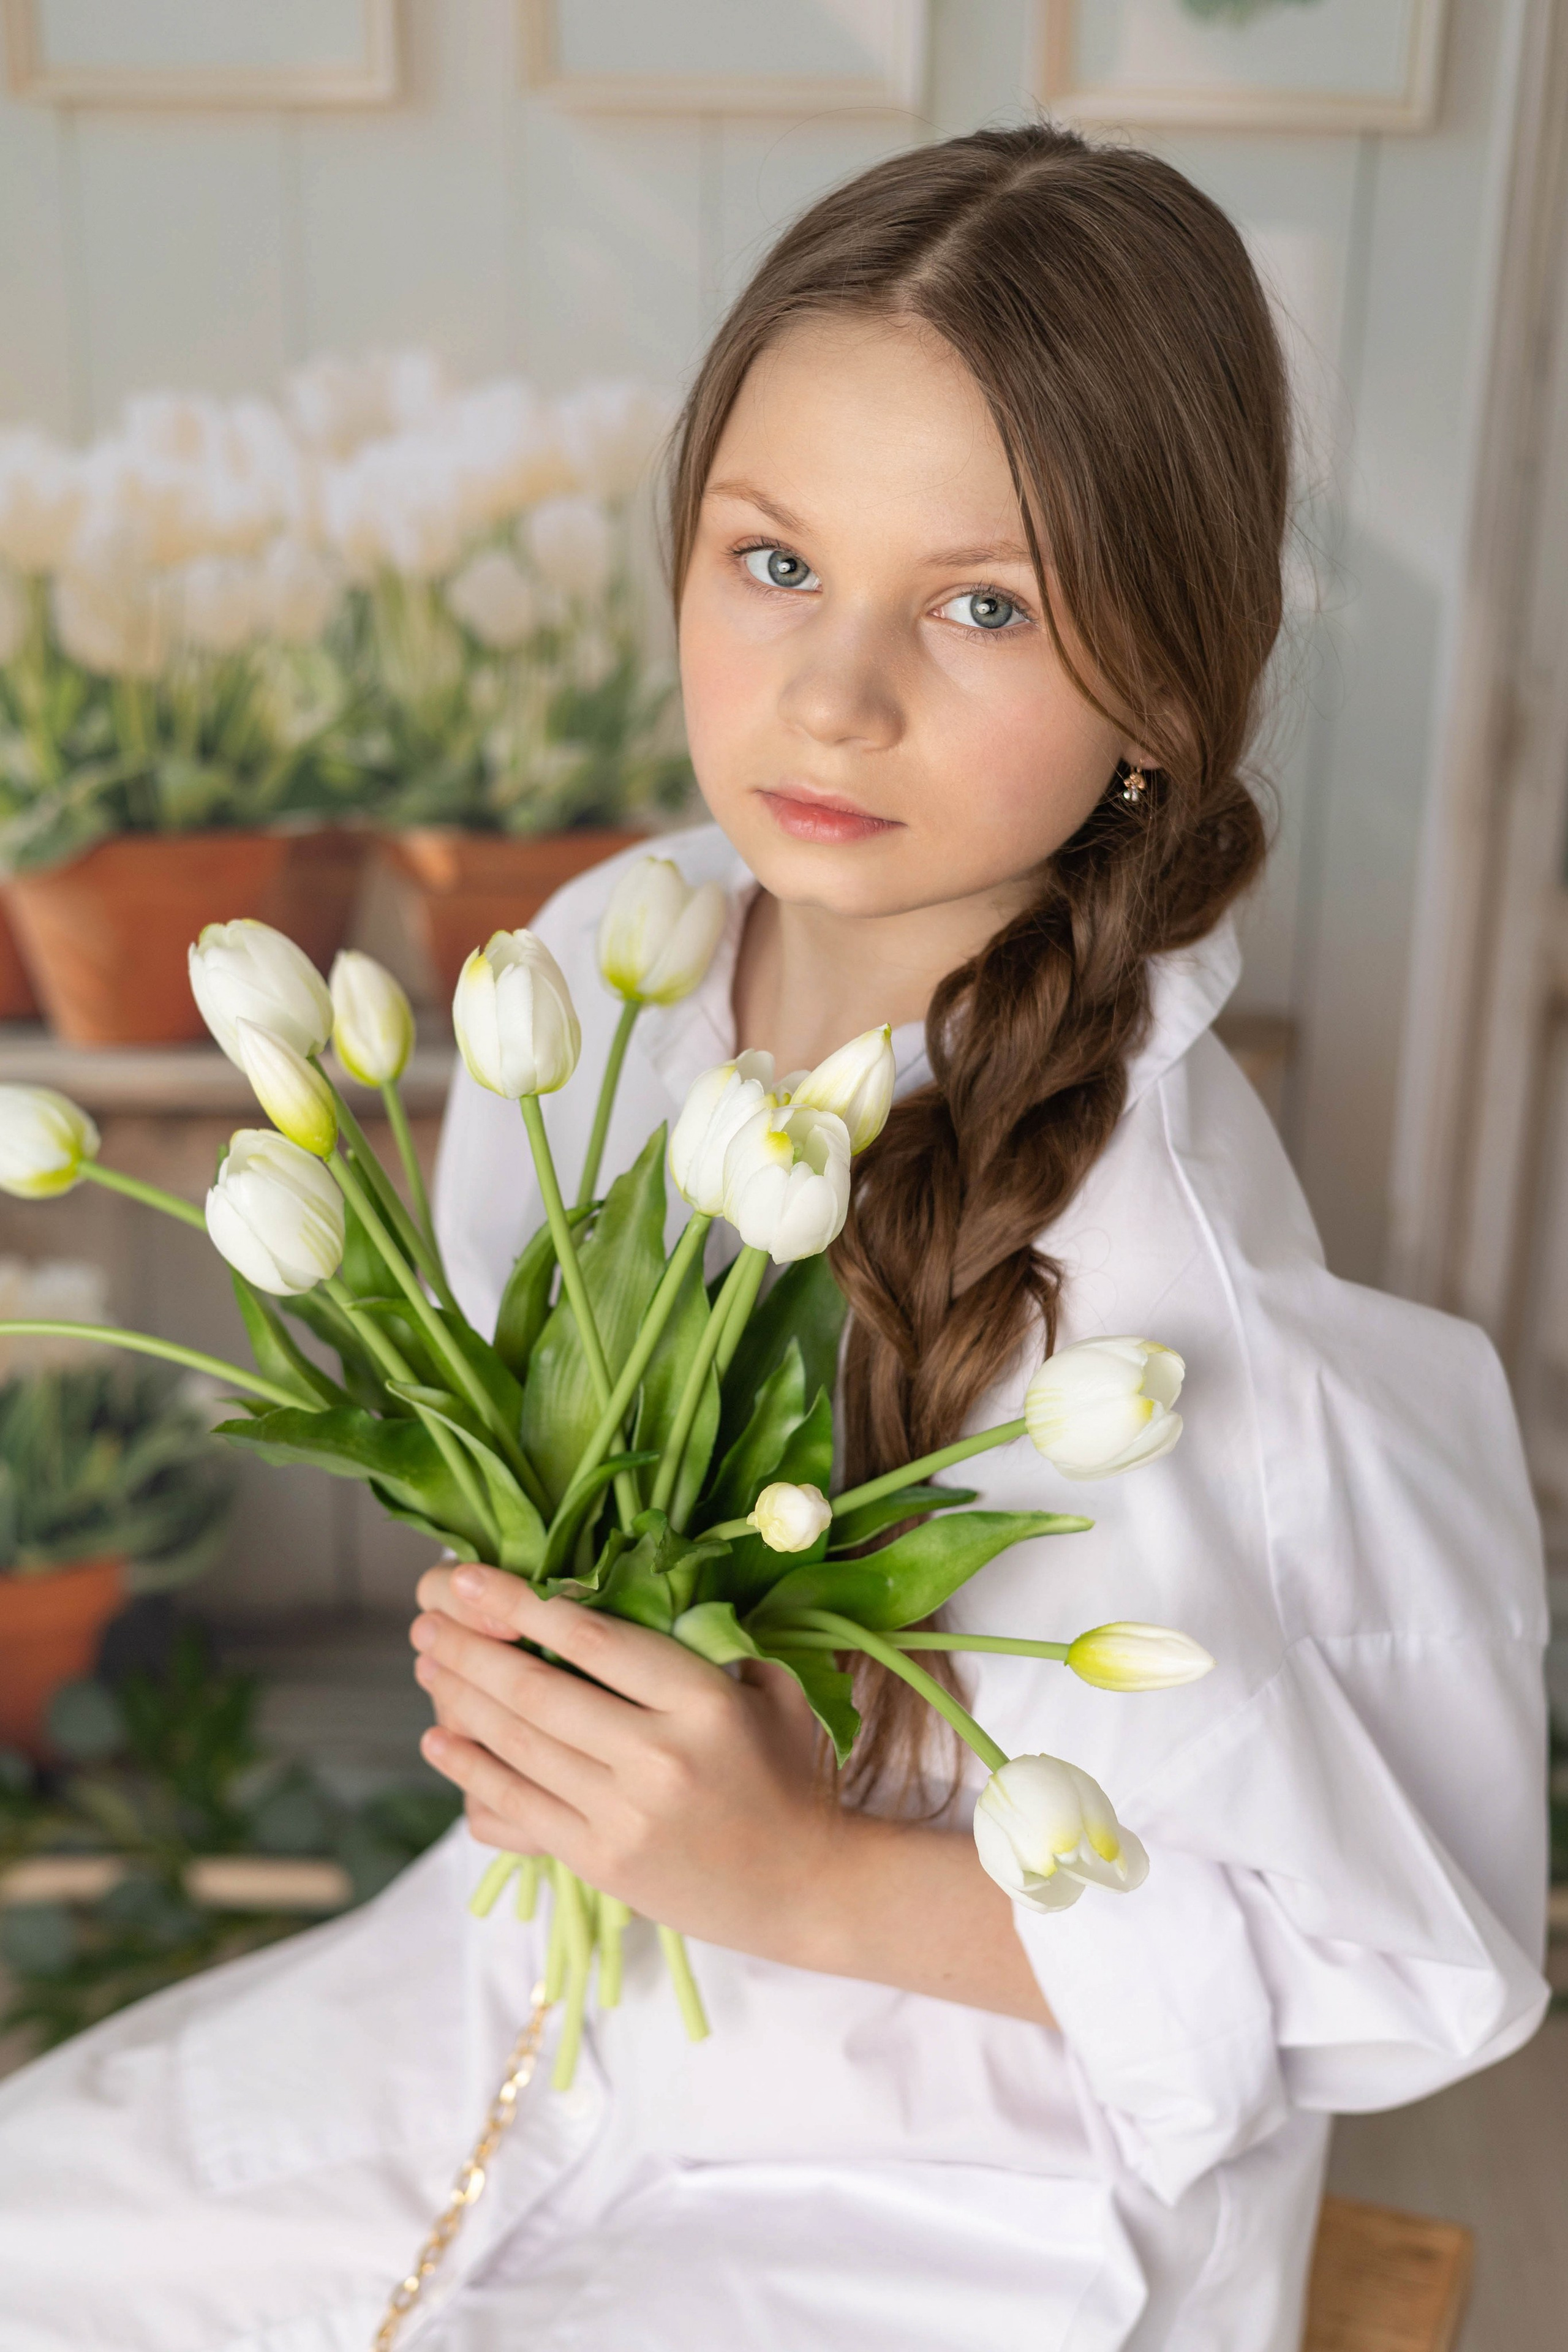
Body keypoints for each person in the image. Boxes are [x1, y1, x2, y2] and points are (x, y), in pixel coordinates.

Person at [0, 124, 1548, 2352]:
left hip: (965, 2174)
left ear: (1164, 698)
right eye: (774, 561)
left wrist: (802, 1870)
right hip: (534, 1995)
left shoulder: (1171, 1292)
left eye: (982, 604)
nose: (834, 696)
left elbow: (1386, 1962)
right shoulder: (611, 961)